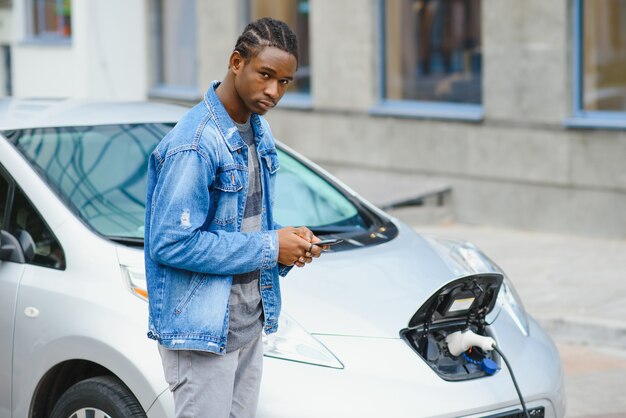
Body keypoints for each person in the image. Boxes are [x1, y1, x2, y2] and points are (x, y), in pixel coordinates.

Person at [144, 17, 324, 418]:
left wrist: (286, 243)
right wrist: (271, 246)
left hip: (247, 325)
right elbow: (171, 242)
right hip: (203, 334)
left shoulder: (256, 130)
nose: (274, 91)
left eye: (285, 82)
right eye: (265, 75)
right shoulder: (195, 143)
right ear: (236, 62)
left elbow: (241, 227)